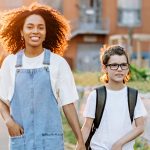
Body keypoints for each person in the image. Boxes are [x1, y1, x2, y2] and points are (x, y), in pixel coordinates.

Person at [0, 2, 85, 150]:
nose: (35, 31)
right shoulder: (10, 63)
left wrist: (80, 140)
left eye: (41, 27)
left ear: (46, 32)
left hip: (50, 142)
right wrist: (8, 121)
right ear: (21, 31)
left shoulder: (58, 63)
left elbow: (68, 104)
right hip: (21, 140)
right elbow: (1, 98)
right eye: (30, 27)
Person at [81, 45, 147, 150]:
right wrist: (78, 147)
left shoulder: (133, 95)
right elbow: (87, 127)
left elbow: (140, 127)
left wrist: (119, 143)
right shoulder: (96, 95)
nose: (119, 69)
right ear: (104, 68)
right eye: (114, 65)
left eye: (123, 65)